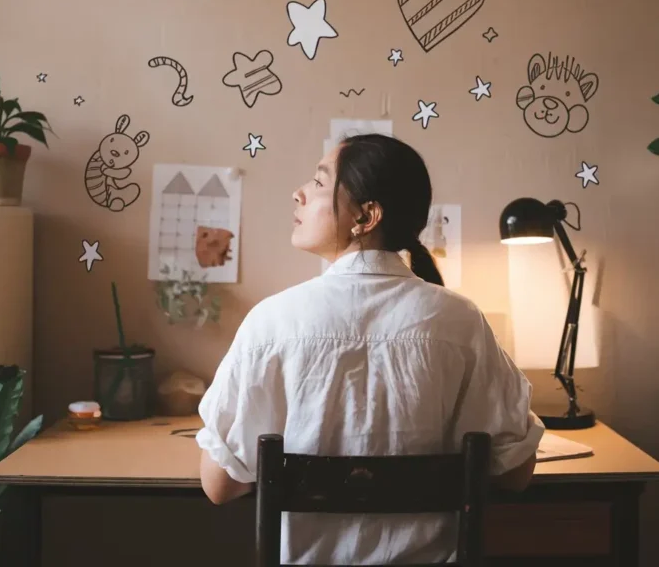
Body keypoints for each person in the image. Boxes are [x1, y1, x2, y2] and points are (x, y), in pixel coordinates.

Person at [197, 133, 545, 564]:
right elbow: (515, 473)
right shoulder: (461, 322)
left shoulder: (272, 323)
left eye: (319, 182)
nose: (299, 193)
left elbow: (220, 486)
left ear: (366, 215)